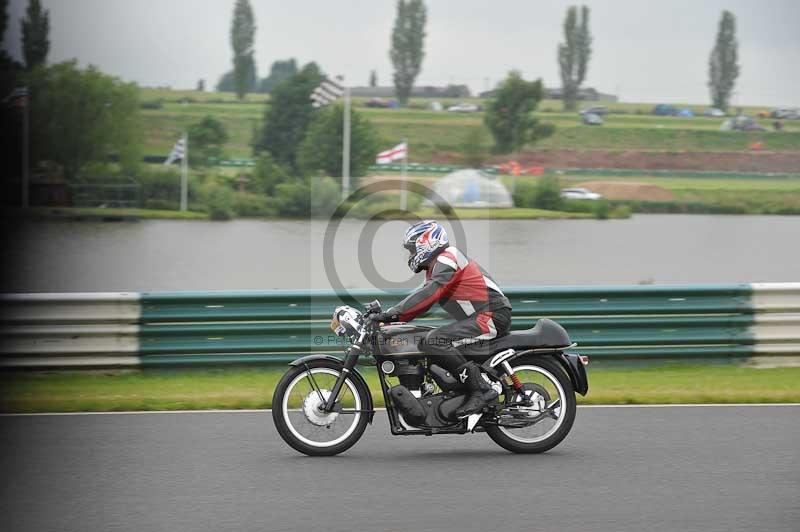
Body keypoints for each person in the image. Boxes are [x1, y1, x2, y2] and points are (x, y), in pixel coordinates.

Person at [370, 220, 512, 417]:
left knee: (434, 341)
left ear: (426, 243)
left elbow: (430, 292)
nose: (411, 255)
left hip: (491, 316)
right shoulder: (437, 267)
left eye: (412, 249)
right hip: (481, 317)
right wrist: (392, 320)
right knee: (426, 339)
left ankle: (481, 390)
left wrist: (393, 312)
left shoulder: (448, 257)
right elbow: (425, 302)